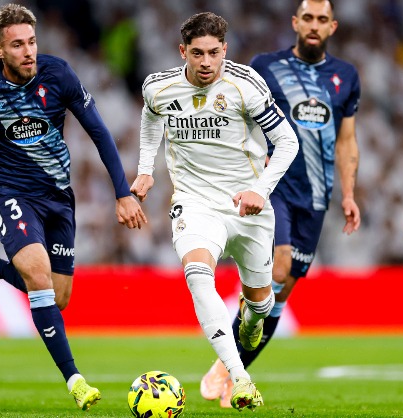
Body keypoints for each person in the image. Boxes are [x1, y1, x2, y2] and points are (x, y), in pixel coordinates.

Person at [0, 3, 146, 411]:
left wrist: (122, 192)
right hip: (11, 194)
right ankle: (76, 381)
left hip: (59, 197)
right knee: (38, 276)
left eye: (32, 42)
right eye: (17, 45)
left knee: (58, 296)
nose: (28, 51)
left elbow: (99, 131)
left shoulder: (58, 74)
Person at [131, 12, 299, 411]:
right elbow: (151, 120)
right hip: (194, 202)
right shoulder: (159, 88)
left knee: (260, 302)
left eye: (214, 53)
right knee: (197, 273)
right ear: (182, 51)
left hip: (248, 206)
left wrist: (260, 190)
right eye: (197, 53)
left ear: (225, 49)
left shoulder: (245, 86)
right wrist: (144, 169)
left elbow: (287, 142)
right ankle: (240, 378)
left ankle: (253, 320)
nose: (206, 62)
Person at [199, 0, 361, 407]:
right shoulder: (265, 66)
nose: (314, 25)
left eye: (322, 20)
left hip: (317, 195)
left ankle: (231, 371)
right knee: (281, 264)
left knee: (282, 291)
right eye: (307, 18)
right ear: (295, 22)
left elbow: (346, 141)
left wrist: (349, 193)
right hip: (273, 187)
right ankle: (229, 367)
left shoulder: (345, 76)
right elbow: (241, 114)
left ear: (333, 27)